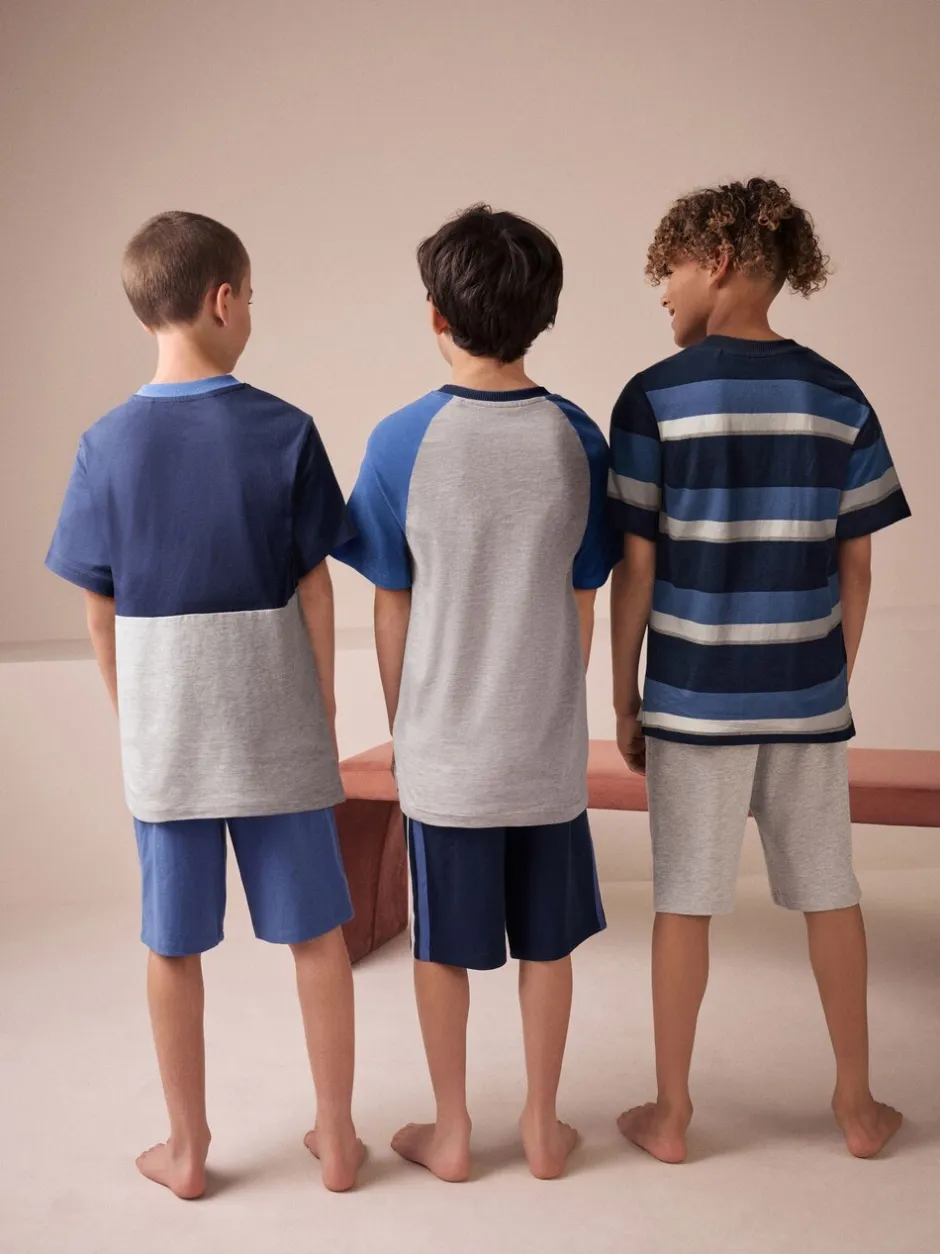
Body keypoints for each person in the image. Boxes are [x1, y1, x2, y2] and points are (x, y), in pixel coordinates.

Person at [45, 211, 364, 1197]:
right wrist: (322, 707)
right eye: (252, 296)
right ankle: (338, 1141)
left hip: (169, 738)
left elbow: (98, 607)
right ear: (223, 300)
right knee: (317, 935)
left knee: (172, 945)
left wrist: (134, 714)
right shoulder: (285, 430)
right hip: (278, 729)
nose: (252, 312)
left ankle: (186, 1153)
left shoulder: (104, 445)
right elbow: (315, 588)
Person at [608, 178, 910, 1164]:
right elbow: (857, 564)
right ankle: (857, 1105)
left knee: (684, 900)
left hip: (693, 703)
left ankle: (671, 1114)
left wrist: (624, 698)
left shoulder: (652, 397)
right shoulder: (838, 395)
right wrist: (829, 675)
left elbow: (636, 566)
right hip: (806, 699)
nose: (662, 291)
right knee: (830, 890)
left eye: (670, 269)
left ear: (720, 260)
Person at [335, 204, 615, 1182]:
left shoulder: (400, 441)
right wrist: (555, 705)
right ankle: (541, 1127)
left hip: (445, 753)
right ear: (544, 314)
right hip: (544, 749)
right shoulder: (579, 440)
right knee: (549, 945)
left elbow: (391, 603)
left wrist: (404, 725)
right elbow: (584, 598)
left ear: (436, 316)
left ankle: (452, 1132)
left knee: (440, 949)